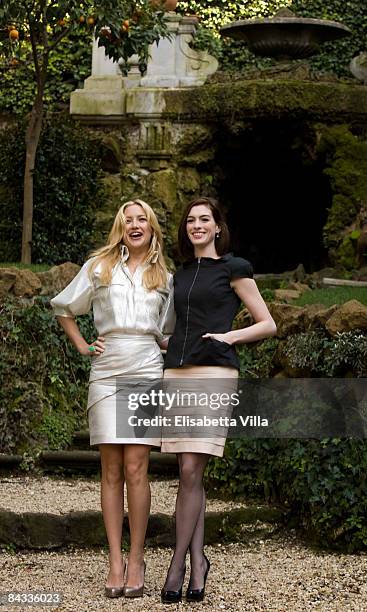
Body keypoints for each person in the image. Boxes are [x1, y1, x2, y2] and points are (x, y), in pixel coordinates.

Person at [50, 200, 174, 599]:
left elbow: (168, 331)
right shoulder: (98, 267)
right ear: (119, 227)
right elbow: (64, 308)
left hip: (146, 367)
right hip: (106, 372)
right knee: (110, 470)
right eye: (127, 220)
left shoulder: (165, 277)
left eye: (141, 220)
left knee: (137, 467)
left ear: (152, 228)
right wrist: (85, 346)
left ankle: (137, 558)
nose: (134, 225)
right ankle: (115, 560)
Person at [160, 196, 277, 604]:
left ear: (217, 227)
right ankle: (198, 563)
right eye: (190, 220)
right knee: (187, 471)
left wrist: (230, 336)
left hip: (214, 371)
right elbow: (173, 327)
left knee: (192, 467)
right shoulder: (181, 273)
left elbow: (267, 323)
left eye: (204, 219)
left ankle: (177, 563)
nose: (196, 225)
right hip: (176, 371)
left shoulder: (234, 268)